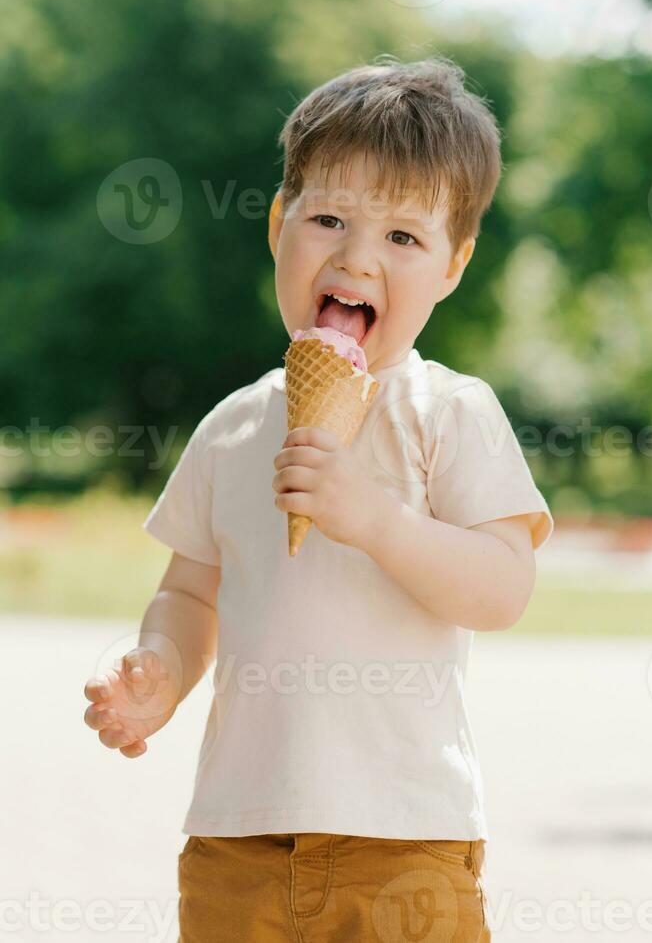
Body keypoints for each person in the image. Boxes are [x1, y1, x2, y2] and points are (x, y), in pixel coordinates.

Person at [83, 56, 554, 942]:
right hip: (235, 838)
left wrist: (375, 518)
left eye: (402, 239)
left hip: (406, 838)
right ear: (277, 225)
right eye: (329, 218)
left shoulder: (448, 413)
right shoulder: (232, 426)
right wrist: (159, 673)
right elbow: (190, 592)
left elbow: (502, 588)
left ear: (453, 265)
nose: (355, 257)